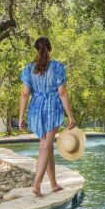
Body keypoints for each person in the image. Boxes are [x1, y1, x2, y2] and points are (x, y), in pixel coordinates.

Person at [19, 37, 76, 197]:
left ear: (36, 49)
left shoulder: (28, 68)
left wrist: (21, 117)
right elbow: (62, 92)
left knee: (48, 146)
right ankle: (36, 186)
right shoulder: (57, 67)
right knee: (45, 146)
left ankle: (53, 184)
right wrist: (70, 116)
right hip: (51, 107)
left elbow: (24, 94)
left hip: (36, 109)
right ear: (49, 49)